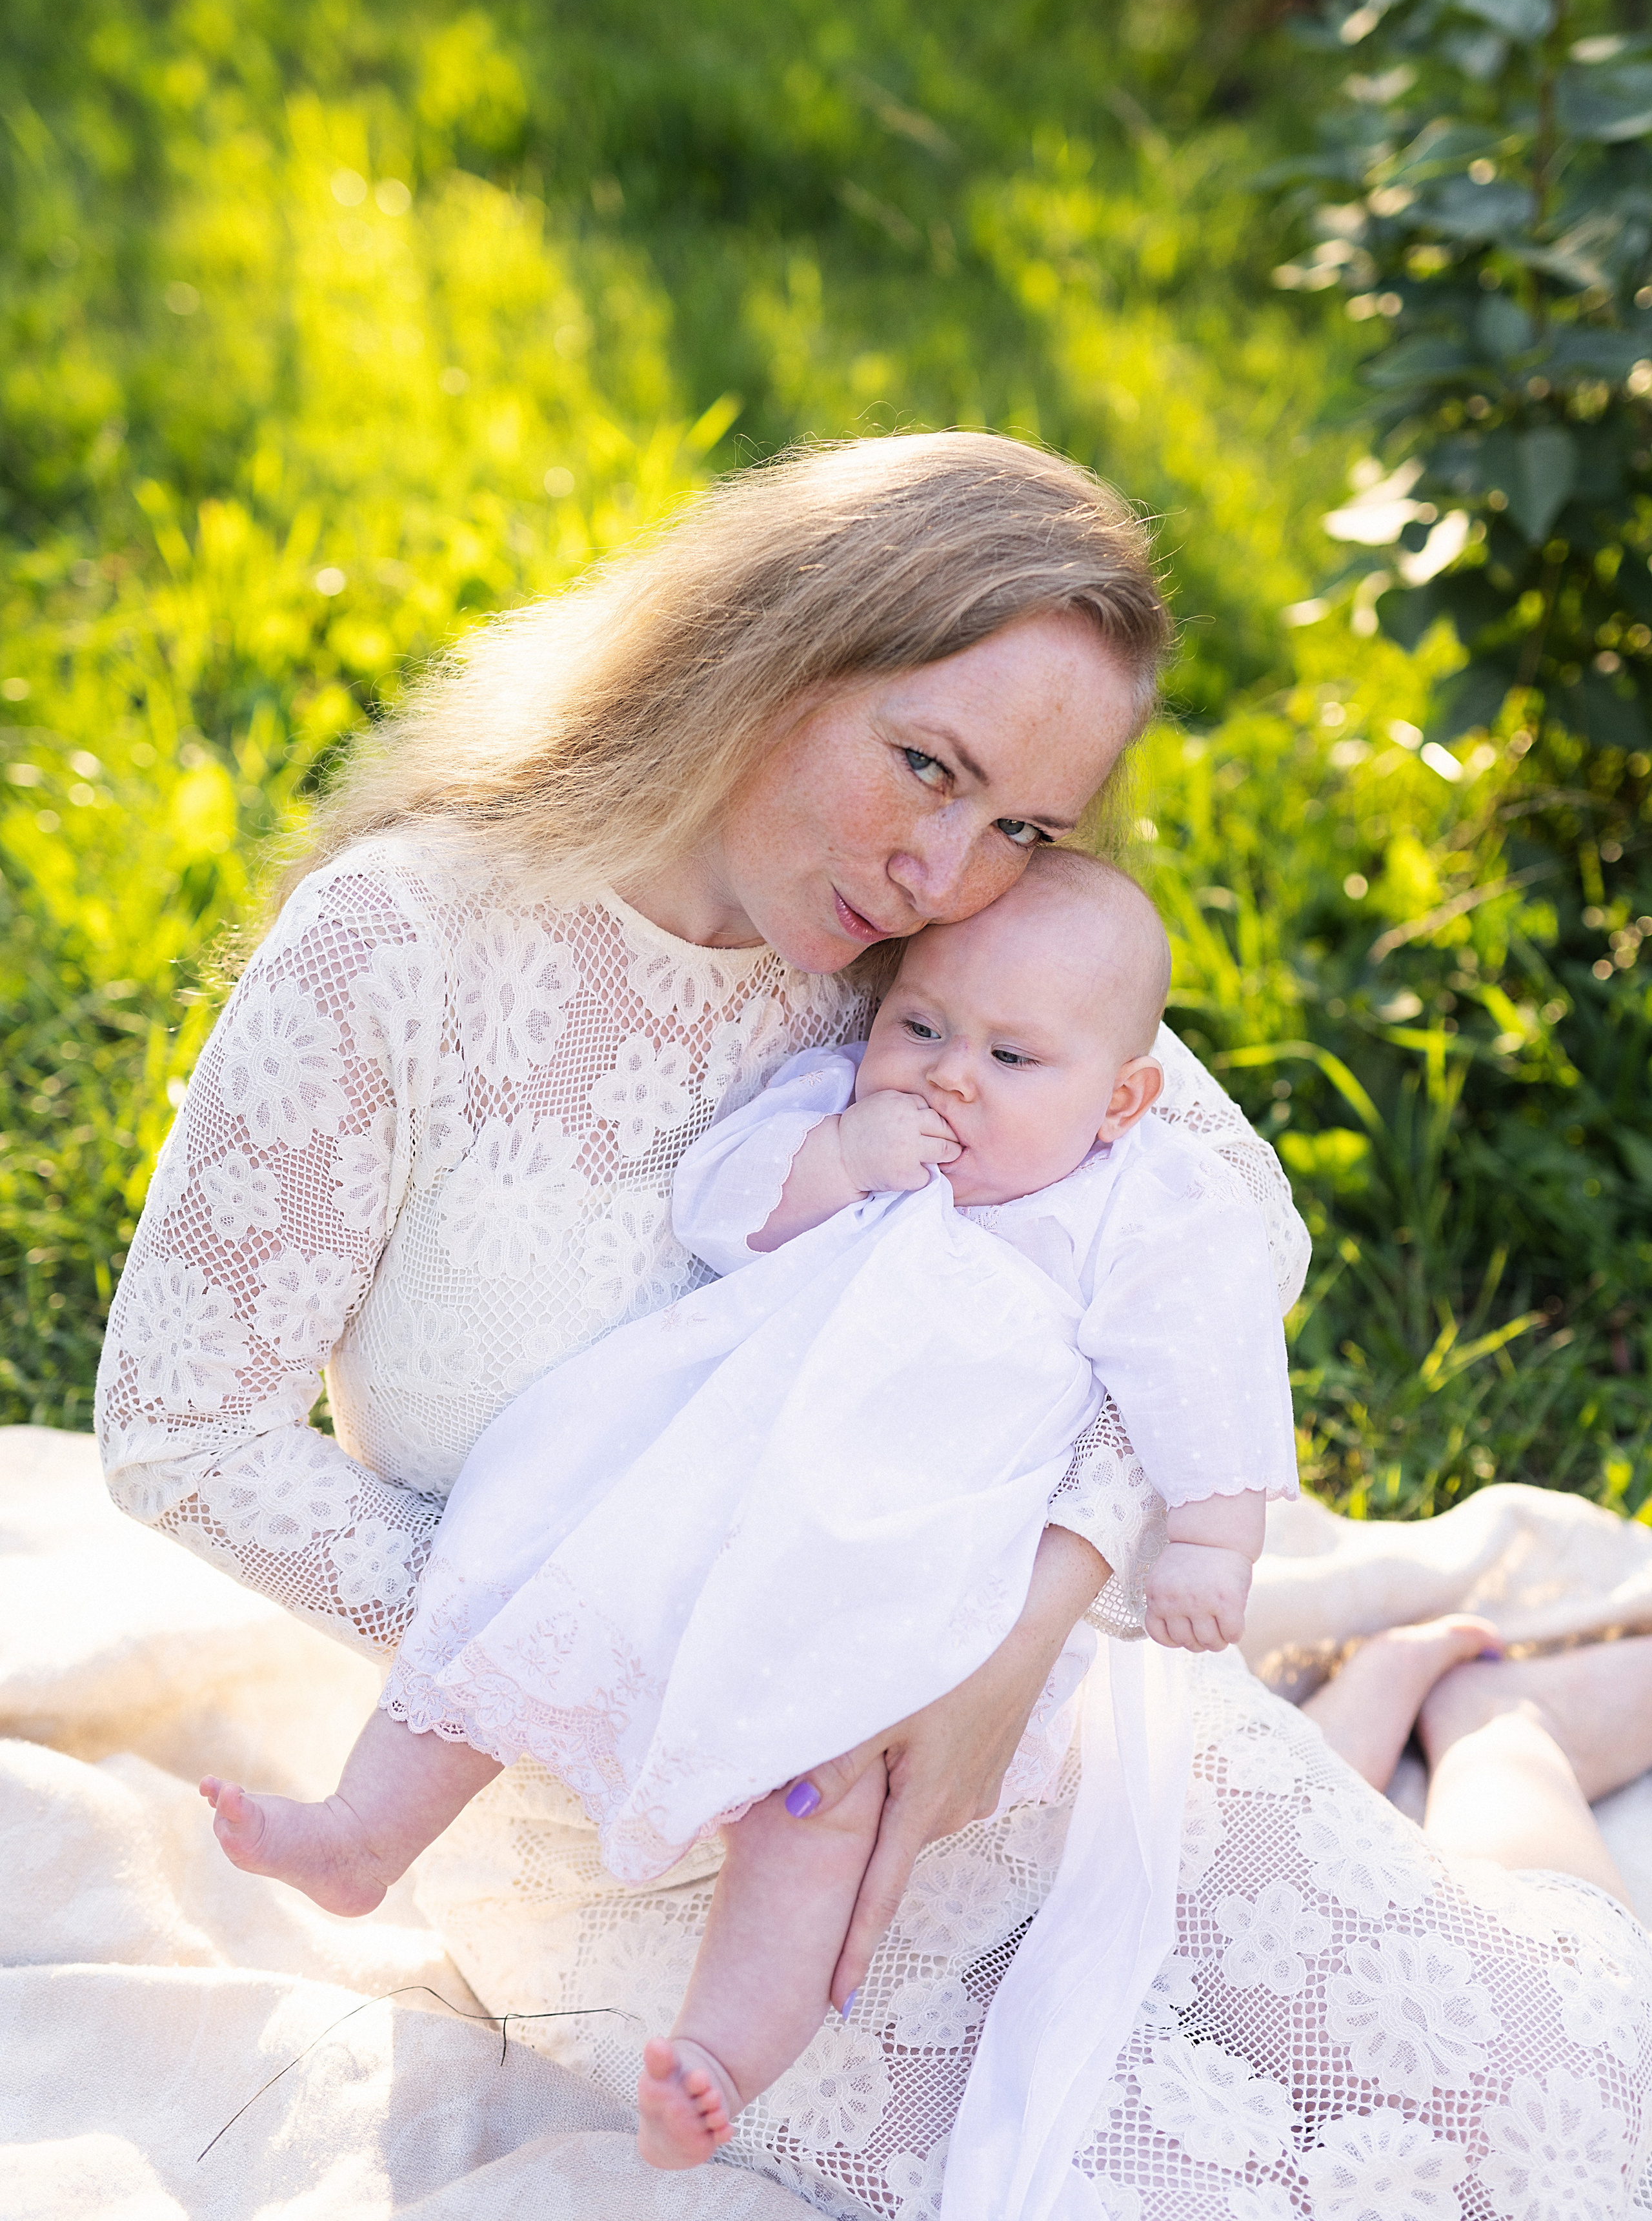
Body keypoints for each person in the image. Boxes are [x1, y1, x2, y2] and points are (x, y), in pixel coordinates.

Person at [96, 432, 1652, 2219]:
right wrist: (624, 1632)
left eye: (1020, 826)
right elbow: (178, 1433)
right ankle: (1396, 1710)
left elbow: (1209, 1222)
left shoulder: (933, 971)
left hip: (1010, 1715)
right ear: (763, 647)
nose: (940, 870)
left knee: (1576, 2118)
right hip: (632, 1837)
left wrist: (1020, 1632)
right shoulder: (399, 952)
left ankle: (1471, 1724)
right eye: (925, 766)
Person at [194, 852, 1298, 2173]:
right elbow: (724, 1210)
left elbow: (1205, 1356)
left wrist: (1218, 1533)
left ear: (1119, 1099)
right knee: (518, 1604)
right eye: (922, 1026)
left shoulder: (1130, 1202)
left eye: (1011, 1060)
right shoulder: (838, 1108)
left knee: (818, 1799)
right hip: (703, 1498)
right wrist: (841, 1154)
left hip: (904, 1565)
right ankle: (361, 1833)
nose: (946, 1074)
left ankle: (715, 2055)